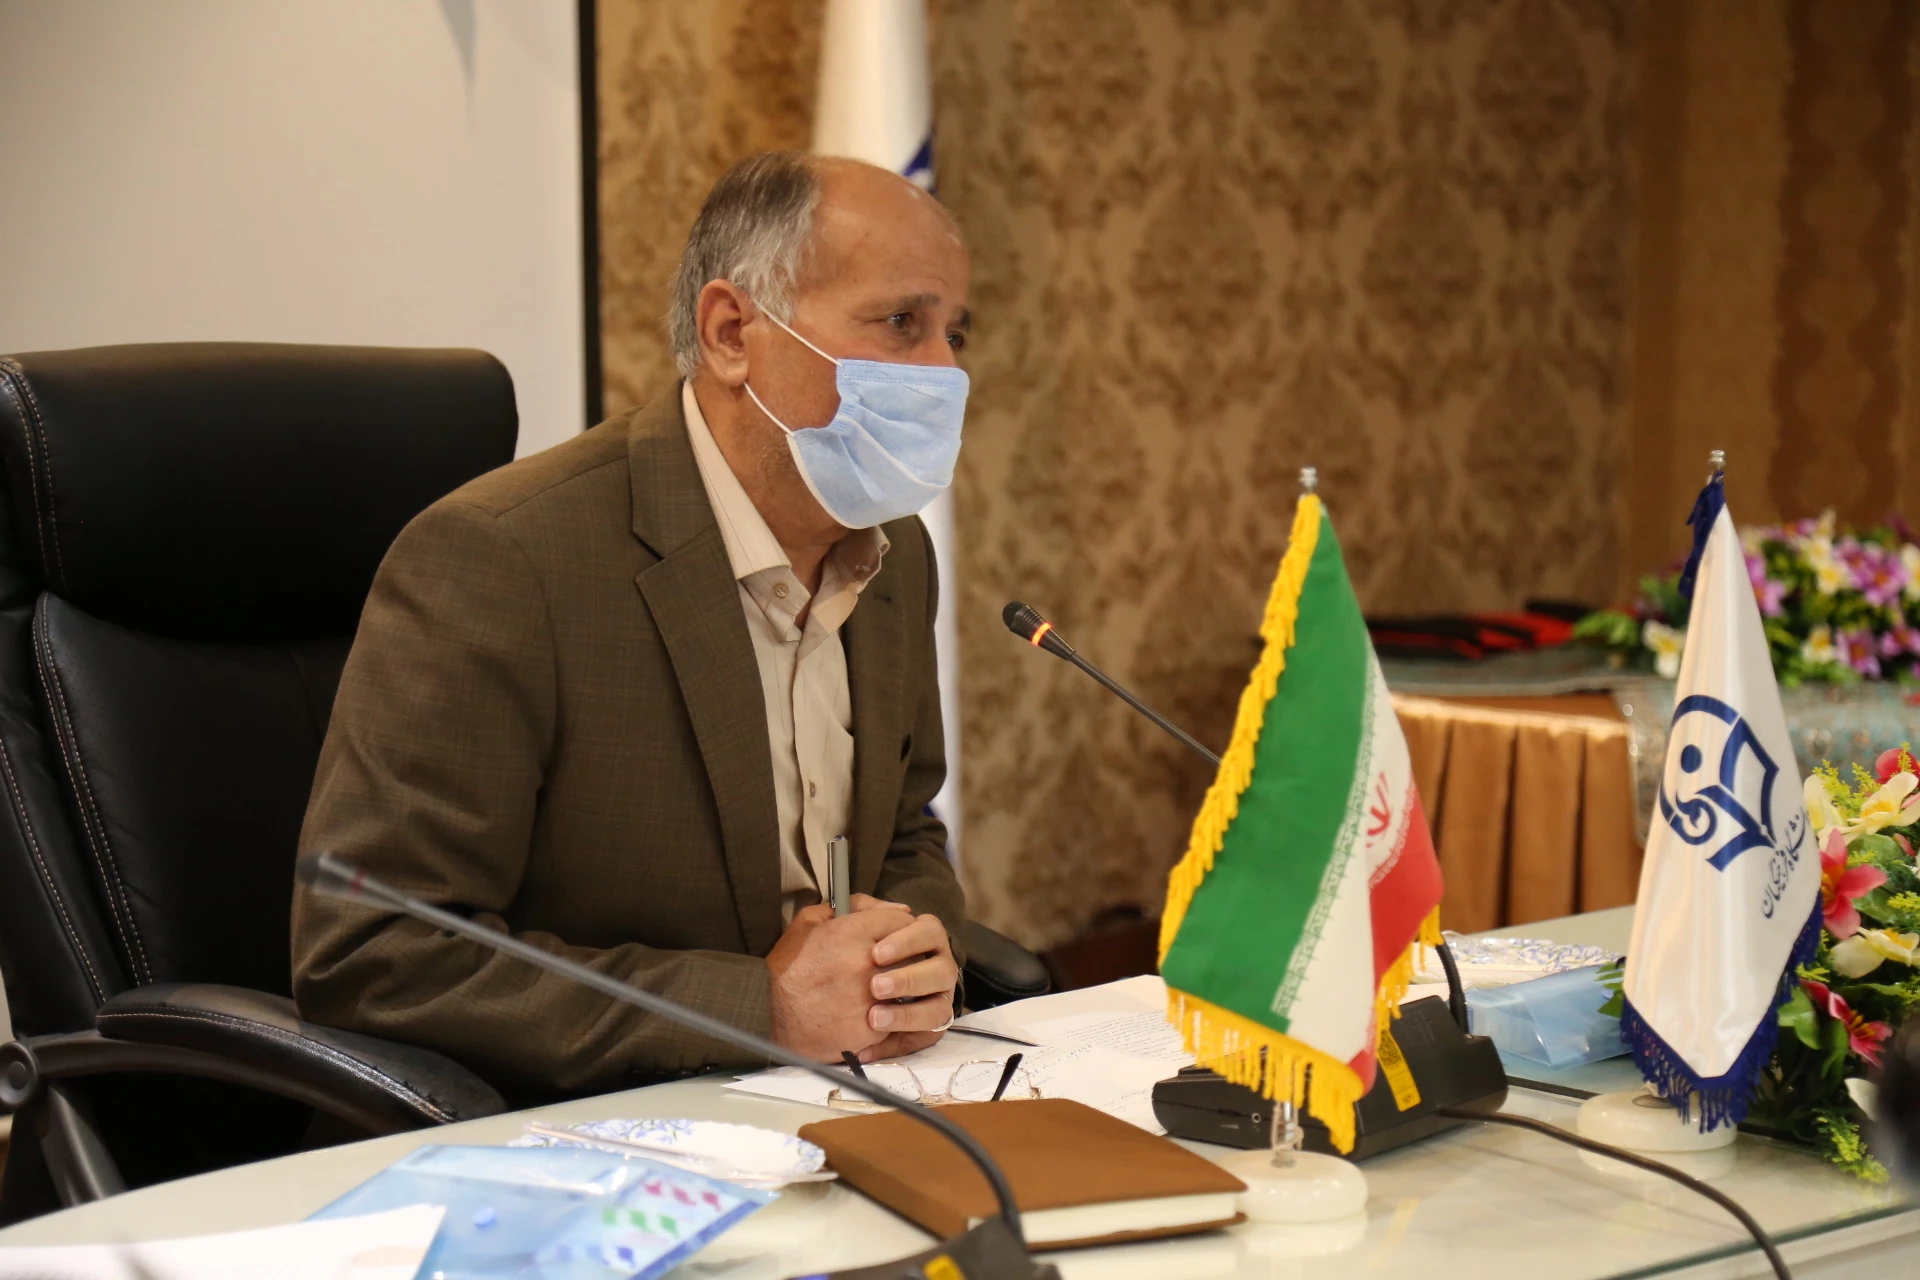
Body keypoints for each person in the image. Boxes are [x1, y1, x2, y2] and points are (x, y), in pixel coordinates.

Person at [291, 152, 972, 1099]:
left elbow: (905, 833)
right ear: (731, 333)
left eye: (955, 332)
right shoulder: (503, 559)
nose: (945, 372)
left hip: (847, 1092)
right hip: (572, 1123)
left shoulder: (895, 552)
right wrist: (757, 1009)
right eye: (901, 323)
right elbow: (376, 950)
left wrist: (908, 959)